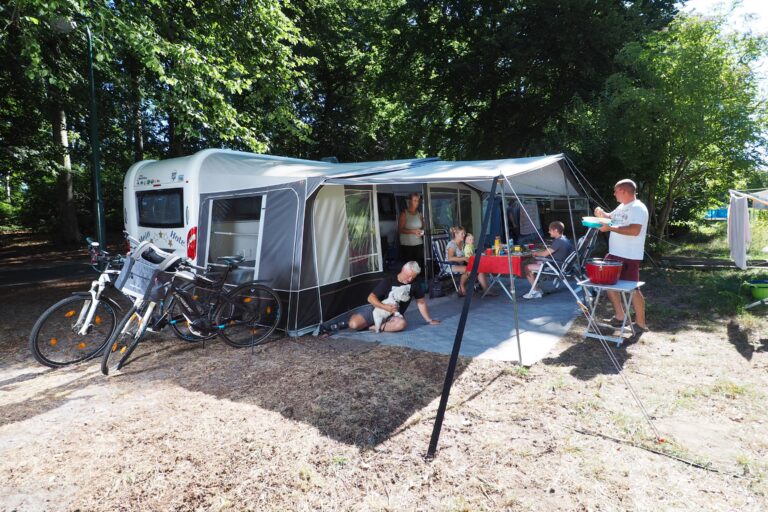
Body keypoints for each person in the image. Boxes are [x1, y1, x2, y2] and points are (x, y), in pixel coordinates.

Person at [594, 178, 649, 335]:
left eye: (616, 191)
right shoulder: (622, 206)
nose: (614, 194)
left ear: (624, 191)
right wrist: (600, 214)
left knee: (633, 289)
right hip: (614, 253)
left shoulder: (638, 208)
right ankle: (620, 316)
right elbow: (610, 219)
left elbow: (634, 231)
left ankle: (641, 324)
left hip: (629, 255)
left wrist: (610, 227)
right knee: (608, 284)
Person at [345, 261, 441, 332]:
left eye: (413, 277)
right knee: (353, 325)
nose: (410, 279)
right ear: (403, 270)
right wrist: (385, 307)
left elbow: (421, 302)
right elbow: (370, 298)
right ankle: (363, 318)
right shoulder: (389, 279)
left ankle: (373, 327)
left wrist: (429, 320)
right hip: (377, 309)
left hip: (394, 315)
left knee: (401, 324)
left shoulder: (415, 284)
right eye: (408, 275)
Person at [522, 221, 576, 299]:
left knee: (527, 267)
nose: (548, 232)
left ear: (556, 230)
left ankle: (536, 291)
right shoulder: (565, 239)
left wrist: (535, 253)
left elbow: (544, 254)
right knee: (536, 262)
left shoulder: (559, 241)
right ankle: (538, 287)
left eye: (550, 230)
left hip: (555, 266)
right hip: (562, 264)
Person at [445, 226, 495, 297]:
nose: (464, 235)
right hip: (450, 265)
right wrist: (464, 258)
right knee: (472, 269)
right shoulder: (451, 244)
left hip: (461, 264)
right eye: (462, 233)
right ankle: (462, 286)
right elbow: (450, 258)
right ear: (456, 234)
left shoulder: (462, 243)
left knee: (479, 269)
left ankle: (486, 290)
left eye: (464, 233)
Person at [399, 193, 425, 269]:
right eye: (415, 200)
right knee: (409, 266)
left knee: (418, 264)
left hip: (418, 242)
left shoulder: (419, 214)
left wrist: (423, 223)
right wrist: (413, 231)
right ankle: (409, 280)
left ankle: (417, 279)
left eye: (418, 201)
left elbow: (422, 227)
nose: (417, 203)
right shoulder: (404, 214)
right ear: (410, 201)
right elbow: (400, 230)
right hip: (407, 243)